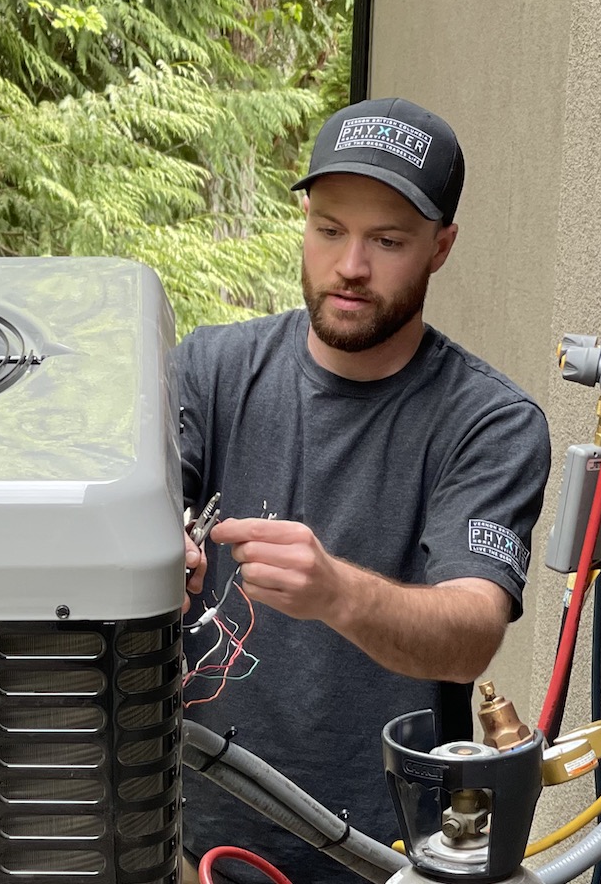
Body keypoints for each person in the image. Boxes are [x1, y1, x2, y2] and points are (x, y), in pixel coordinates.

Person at [173, 97, 552, 883]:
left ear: (441, 248)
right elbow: (123, 529)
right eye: (329, 230)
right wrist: (156, 562)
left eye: (387, 240)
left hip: (391, 856)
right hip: (194, 843)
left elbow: (473, 629)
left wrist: (335, 591)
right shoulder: (210, 370)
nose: (351, 265)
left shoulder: (491, 422)